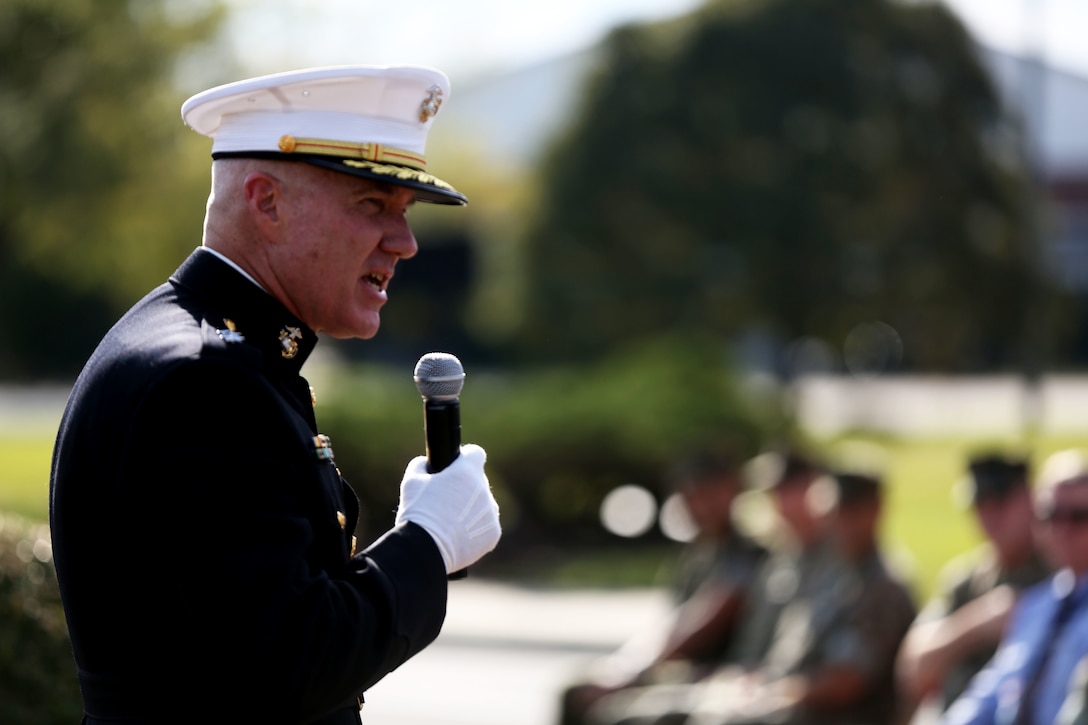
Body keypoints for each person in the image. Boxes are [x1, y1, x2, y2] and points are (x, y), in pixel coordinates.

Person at [48, 65, 502, 724]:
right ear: (266, 203)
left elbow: (257, 632)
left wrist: (415, 543)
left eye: (404, 213)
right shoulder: (203, 381)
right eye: (371, 204)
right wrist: (427, 544)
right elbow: (288, 665)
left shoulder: (214, 353)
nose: (404, 243)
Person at [558, 449, 768, 725]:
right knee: (576, 693)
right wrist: (620, 667)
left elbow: (700, 625)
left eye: (706, 494)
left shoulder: (746, 556)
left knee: (619, 714)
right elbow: (670, 625)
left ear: (732, 492)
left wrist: (631, 675)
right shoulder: (699, 555)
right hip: (685, 671)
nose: (698, 507)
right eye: (689, 497)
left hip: (721, 673)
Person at [896, 453, 1050, 718]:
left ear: (1030, 500)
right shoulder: (966, 580)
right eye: (980, 504)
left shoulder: (1057, 576)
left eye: (1000, 503)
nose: (989, 517)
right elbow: (914, 668)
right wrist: (979, 623)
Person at [944, 449, 1088, 725]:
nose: (1063, 529)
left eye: (1079, 516)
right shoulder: (1037, 605)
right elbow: (988, 697)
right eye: (1052, 514)